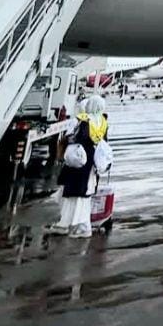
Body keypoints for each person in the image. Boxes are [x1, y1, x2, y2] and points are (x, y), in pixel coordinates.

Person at [50, 95, 108, 238]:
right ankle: (82, 225)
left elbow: (70, 137)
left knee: (71, 193)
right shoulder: (103, 122)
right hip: (92, 162)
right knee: (85, 195)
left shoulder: (82, 120)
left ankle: (67, 224)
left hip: (78, 160)